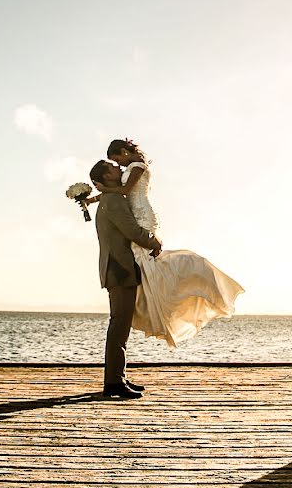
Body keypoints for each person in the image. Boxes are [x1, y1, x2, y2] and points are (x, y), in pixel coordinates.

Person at [92, 139, 243, 347]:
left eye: (116, 159)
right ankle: (156, 300)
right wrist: (95, 198)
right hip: (134, 222)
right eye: (113, 164)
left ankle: (160, 300)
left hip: (141, 215)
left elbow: (126, 190)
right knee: (146, 264)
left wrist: (102, 193)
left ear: (123, 152)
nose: (118, 165)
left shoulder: (137, 167)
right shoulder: (116, 194)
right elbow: (122, 198)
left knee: (146, 260)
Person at [89, 160, 162, 399]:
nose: (119, 169)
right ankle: (113, 383)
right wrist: (153, 241)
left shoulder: (110, 199)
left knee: (120, 326)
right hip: (119, 269)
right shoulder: (113, 201)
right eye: (113, 168)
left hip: (118, 268)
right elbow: (131, 230)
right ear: (107, 177)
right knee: (119, 326)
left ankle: (117, 377)